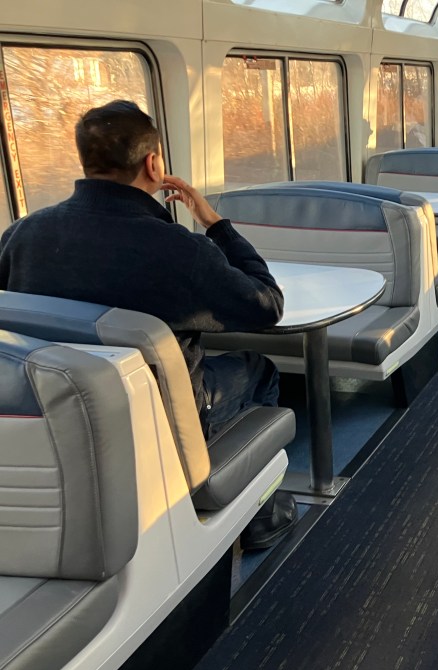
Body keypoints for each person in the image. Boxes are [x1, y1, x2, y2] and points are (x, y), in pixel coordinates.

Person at [0, 99, 296, 549]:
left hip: (49, 405)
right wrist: (214, 223)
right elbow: (265, 305)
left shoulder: (22, 234)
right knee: (259, 368)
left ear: (86, 161)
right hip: (157, 414)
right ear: (154, 164)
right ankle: (258, 513)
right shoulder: (180, 249)